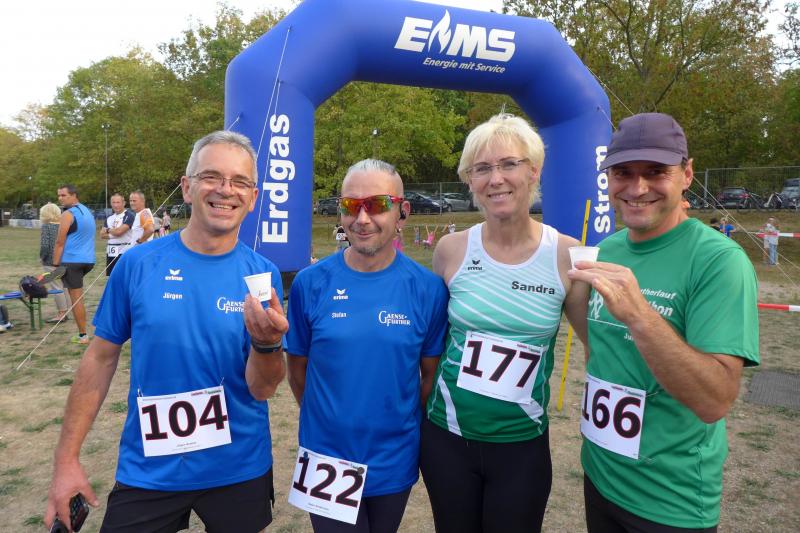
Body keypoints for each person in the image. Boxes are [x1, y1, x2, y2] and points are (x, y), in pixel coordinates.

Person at [45, 131, 288, 533]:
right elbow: (99, 360)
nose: (226, 190)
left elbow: (262, 389)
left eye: (240, 181)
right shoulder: (138, 264)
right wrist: (66, 460)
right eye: (211, 176)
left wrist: (267, 345)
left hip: (238, 467)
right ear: (187, 187)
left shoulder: (262, 276)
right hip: (150, 468)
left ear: (253, 197)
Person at [568, 112, 759, 531]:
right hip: (600, 475)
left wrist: (640, 316)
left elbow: (714, 401)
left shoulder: (719, 261)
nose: (637, 188)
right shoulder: (608, 250)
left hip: (669, 500)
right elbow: (602, 349)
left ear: (687, 174)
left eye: (656, 172)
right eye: (623, 173)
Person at [420, 114, 589, 533]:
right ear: (470, 181)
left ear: (534, 171)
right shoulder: (450, 250)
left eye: (509, 164)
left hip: (521, 446)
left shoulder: (568, 255)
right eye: (482, 169)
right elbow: (430, 342)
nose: (496, 179)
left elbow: (598, 348)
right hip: (447, 439)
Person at [286, 159, 449, 532]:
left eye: (376, 205)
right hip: (326, 458)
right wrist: (330, 422)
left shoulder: (428, 289)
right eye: (350, 205)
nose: (361, 219)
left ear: (402, 212)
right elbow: (297, 371)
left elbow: (429, 377)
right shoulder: (310, 283)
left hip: (394, 457)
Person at [52, 185, 96, 344]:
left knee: (76, 299)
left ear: (74, 195)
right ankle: (83, 333)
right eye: (59, 195)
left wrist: (55, 265)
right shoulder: (87, 211)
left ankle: (83, 335)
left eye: (63, 195)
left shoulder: (67, 214)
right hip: (88, 261)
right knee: (77, 296)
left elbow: (59, 242)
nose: (60, 198)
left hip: (72, 261)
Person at [39, 202, 72, 323]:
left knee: (56, 286)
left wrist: (42, 257)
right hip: (66, 260)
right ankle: (67, 311)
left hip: (51, 261)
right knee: (64, 286)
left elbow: (45, 246)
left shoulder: (46, 227)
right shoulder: (64, 226)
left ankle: (61, 313)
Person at [100, 193, 135, 276]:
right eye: (113, 202)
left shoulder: (129, 216)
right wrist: (115, 233)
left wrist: (108, 230)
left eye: (118, 202)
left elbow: (119, 232)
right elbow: (102, 235)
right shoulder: (109, 218)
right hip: (111, 251)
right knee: (112, 276)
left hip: (124, 251)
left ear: (124, 203)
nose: (116, 205)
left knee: (123, 275)